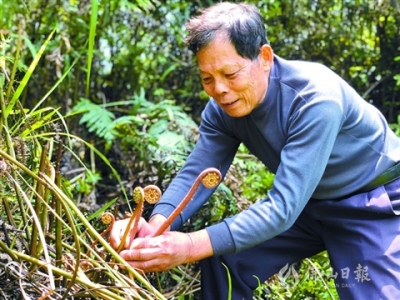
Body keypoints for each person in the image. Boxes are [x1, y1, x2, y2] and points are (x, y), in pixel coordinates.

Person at [109, 2, 400, 299]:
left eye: (230, 74)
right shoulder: (222, 109)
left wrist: (189, 246)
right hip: (308, 203)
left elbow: (282, 208)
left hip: (369, 202)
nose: (219, 89)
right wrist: (156, 226)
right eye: (207, 78)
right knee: (224, 257)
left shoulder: (315, 100)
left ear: (264, 57)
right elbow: (199, 170)